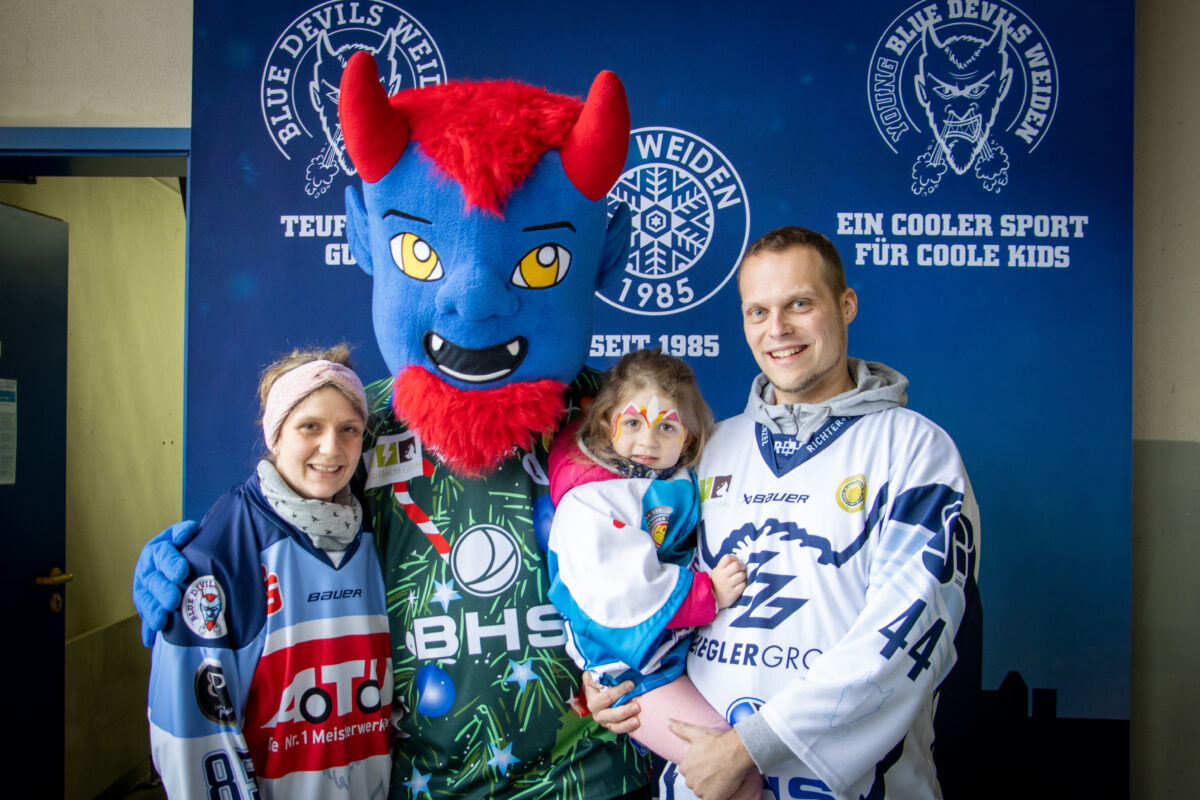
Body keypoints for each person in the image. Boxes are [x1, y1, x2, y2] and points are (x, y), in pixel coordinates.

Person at [134, 55, 652, 799]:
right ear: (364, 236)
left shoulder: (623, 418)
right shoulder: (357, 423)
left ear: (607, 251)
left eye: (542, 262)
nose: (474, 301)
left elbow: (702, 538)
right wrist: (196, 574)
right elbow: (271, 529)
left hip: (594, 778)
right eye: (420, 252)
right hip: (420, 781)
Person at [588, 226, 981, 800]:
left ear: (846, 306)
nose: (777, 329)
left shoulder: (915, 450)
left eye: (800, 304)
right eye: (758, 311)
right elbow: (643, 585)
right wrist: (608, 672)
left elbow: (907, 635)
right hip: (701, 785)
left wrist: (747, 748)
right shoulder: (707, 448)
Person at [146, 345, 394, 798]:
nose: (331, 448)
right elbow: (190, 738)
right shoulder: (217, 557)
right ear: (274, 433)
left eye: (349, 429)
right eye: (310, 426)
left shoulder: (374, 532)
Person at [545, 349, 762, 800]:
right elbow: (620, 589)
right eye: (632, 423)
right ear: (607, 422)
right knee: (730, 766)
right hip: (633, 672)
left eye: (666, 427)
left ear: (688, 436)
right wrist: (708, 593)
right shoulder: (591, 499)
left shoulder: (674, 475)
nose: (648, 440)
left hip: (678, 656)